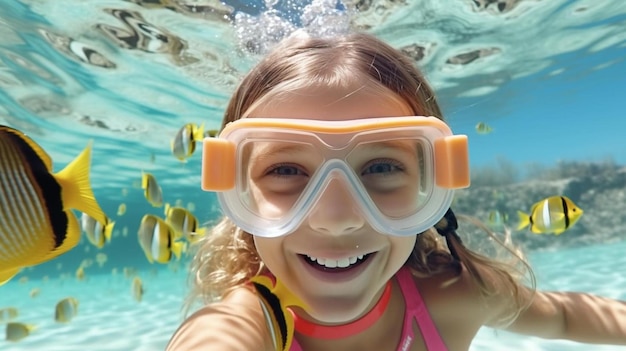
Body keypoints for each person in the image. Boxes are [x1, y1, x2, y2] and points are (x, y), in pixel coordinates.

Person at [166, 31, 626, 351]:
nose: (337, 216)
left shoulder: (457, 296)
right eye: (286, 170)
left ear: (433, 181)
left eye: (381, 166)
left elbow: (564, 317)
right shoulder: (251, 323)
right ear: (236, 191)